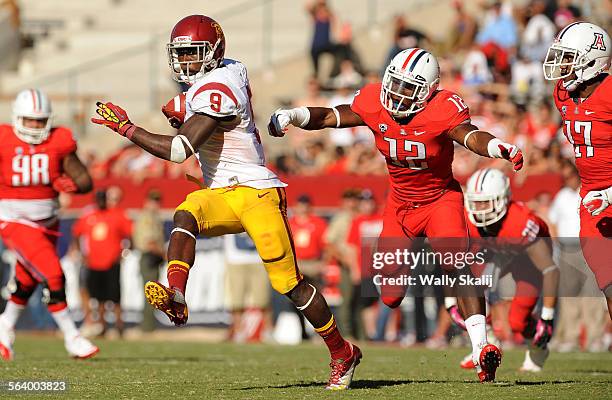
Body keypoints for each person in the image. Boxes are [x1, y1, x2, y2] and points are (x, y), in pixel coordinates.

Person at [91, 15, 360, 390]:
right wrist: (182, 107)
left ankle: (342, 352)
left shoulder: (219, 86)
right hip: (221, 192)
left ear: (214, 52)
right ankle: (177, 295)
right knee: (186, 212)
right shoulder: (229, 70)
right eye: (181, 54)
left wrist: (126, 128)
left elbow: (178, 149)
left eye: (192, 53)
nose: (185, 62)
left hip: (256, 193)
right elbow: (199, 105)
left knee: (290, 285)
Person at [269, 47, 525, 382]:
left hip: (439, 200)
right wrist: (294, 114)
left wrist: (498, 147)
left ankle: (481, 349)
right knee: (389, 296)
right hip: (401, 206)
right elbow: (333, 115)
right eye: (396, 83)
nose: (398, 94)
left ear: (428, 90)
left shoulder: (441, 108)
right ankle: (464, 324)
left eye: (408, 87)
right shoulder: (376, 101)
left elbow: (469, 136)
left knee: (457, 263)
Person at [0, 89, 98, 360]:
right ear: (18, 118)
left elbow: (85, 179)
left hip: (49, 221)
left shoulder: (59, 139)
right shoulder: (3, 139)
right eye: (30, 120)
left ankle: (5, 325)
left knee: (27, 278)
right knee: (53, 274)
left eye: (40, 121)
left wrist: (74, 184)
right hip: (14, 220)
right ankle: (72, 337)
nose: (35, 126)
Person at [450, 168, 559, 372]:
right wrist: (450, 302)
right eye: (476, 202)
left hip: (526, 259)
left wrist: (547, 317)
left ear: (503, 199)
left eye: (485, 202)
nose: (479, 209)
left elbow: (550, 270)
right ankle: (485, 341)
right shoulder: (468, 219)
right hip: (494, 250)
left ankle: (538, 347)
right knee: (470, 287)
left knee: (518, 321)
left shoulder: (521, 222)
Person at [543, 21, 612, 320]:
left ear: (592, 59)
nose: (562, 66)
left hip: (607, 192)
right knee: (608, 280)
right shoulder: (563, 95)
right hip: (592, 200)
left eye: (568, 58)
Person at [72, 189, 132, 337]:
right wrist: (82, 253)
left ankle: (119, 325)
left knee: (115, 295)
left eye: (102, 199)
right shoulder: (89, 217)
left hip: (112, 262)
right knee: (98, 297)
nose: (100, 202)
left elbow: (130, 233)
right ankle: (102, 326)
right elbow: (76, 233)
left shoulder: (117, 215)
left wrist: (123, 252)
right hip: (94, 263)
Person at [133, 189, 165, 333]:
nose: (155, 204)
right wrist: (165, 255)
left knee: (153, 292)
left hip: (153, 257)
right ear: (147, 201)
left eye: (157, 201)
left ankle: (149, 324)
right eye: (153, 201)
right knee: (150, 293)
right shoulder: (147, 217)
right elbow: (150, 242)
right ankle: (147, 326)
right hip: (149, 257)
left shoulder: (154, 216)